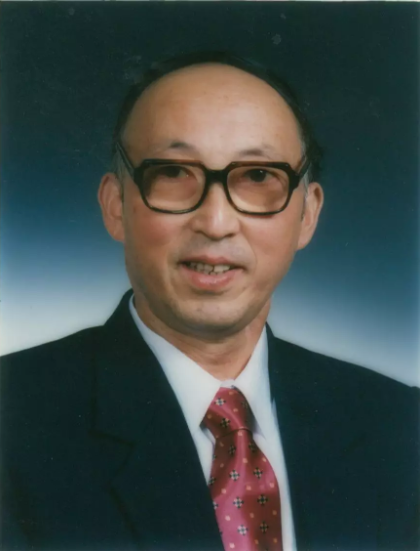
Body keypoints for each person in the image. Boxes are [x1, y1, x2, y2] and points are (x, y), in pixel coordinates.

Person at [1, 51, 418, 551]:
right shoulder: (14, 421)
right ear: (116, 205)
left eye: (258, 176)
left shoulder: (401, 426)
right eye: (174, 173)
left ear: (307, 214)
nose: (216, 223)